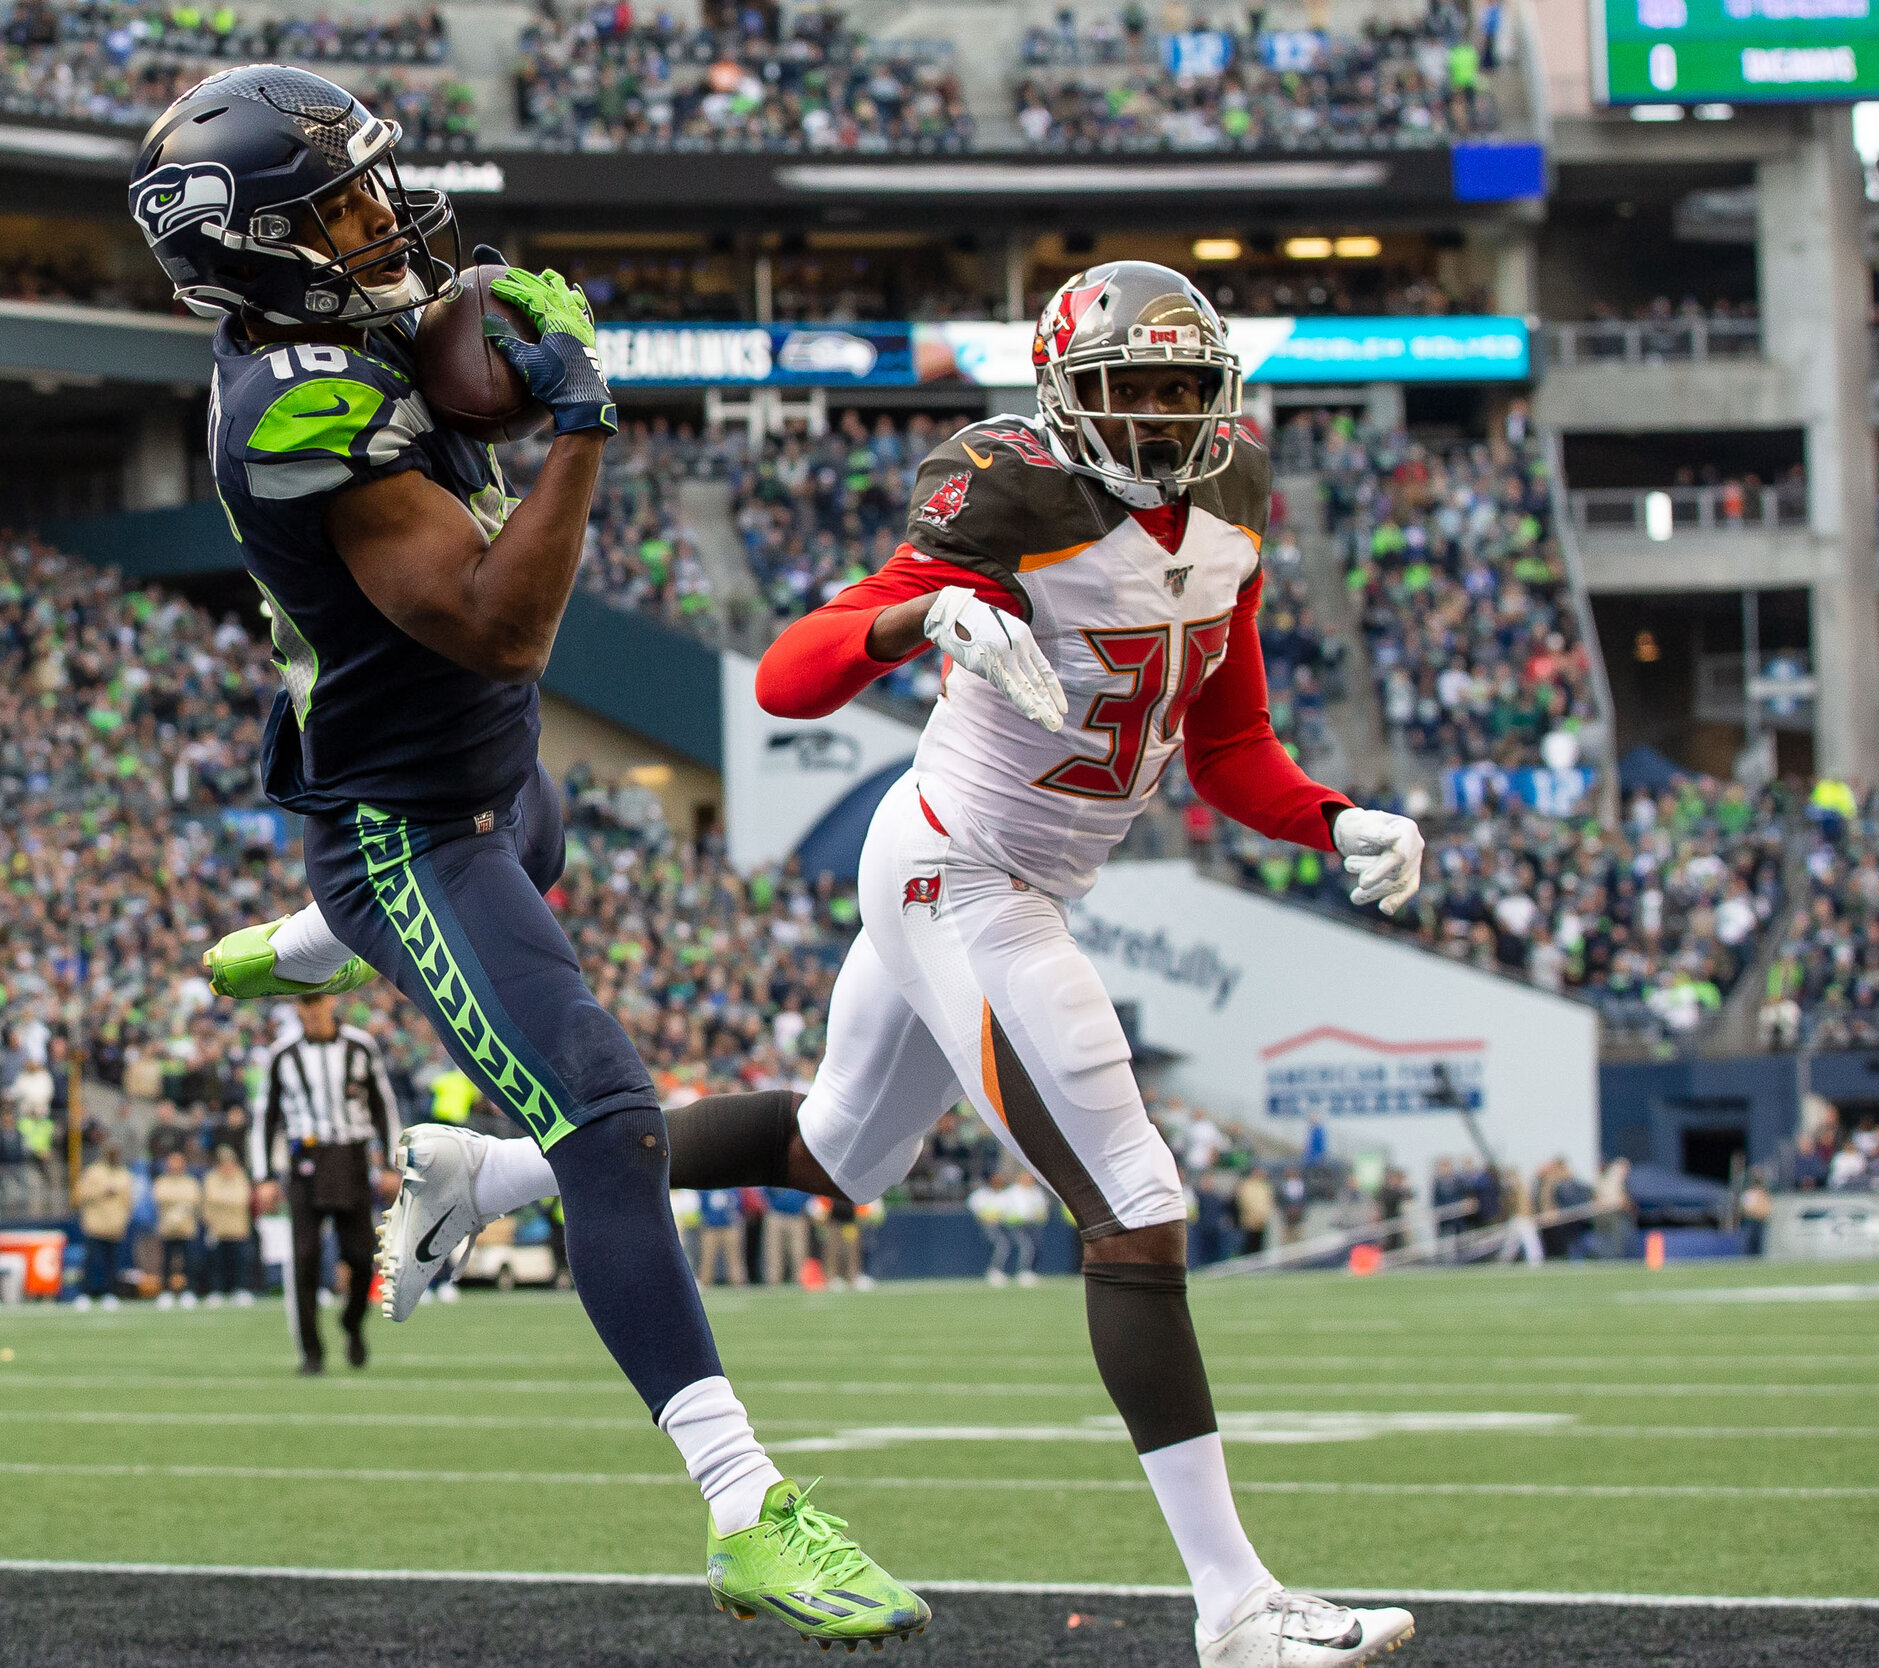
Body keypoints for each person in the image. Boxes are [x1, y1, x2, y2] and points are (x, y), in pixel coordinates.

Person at [352, 264, 1422, 1666]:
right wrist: (916, 619)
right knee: (1137, 1203)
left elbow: (1226, 744)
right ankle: (1236, 1606)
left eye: (1181, 386)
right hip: (956, 867)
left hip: (1014, 874)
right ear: (1062, 393)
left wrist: (1333, 817)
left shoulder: (1234, 499)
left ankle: (485, 1175)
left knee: (833, 1153)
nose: (1160, 417)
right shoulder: (1007, 493)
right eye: (1130, 387)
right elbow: (790, 676)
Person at [155, 65, 921, 1642]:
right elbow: (506, 624)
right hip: (406, 823)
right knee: (613, 1118)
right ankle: (746, 1507)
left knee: (553, 837)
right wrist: (581, 415)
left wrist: (482, 331)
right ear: (254, 257)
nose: (386, 222)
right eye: (343, 211)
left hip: (492, 780)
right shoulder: (288, 405)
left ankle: (310, 945)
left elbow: (458, 375)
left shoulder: (345, 330)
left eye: (376, 190)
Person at [253, 992, 394, 1370]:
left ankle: (351, 1323)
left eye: (315, 1002)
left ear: (331, 1001)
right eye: (302, 1004)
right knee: (305, 1259)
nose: (309, 1011)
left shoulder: (360, 1047)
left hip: (351, 1156)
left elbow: (383, 1106)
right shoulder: (282, 1054)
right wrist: (264, 1175)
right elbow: (265, 1115)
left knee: (361, 1256)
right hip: (305, 1161)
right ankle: (311, 1352)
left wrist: (394, 1164)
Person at [75, 1143, 134, 1307]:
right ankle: (85, 1292)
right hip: (96, 1224)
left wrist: (123, 1221)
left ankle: (110, 1292)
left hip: (115, 1225)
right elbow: (80, 1194)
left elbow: (128, 1202)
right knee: (92, 1261)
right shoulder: (93, 1172)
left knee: (112, 1262)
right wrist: (102, 1191)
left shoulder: (124, 1174)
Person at [202, 1144, 256, 1304]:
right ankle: (217, 1290)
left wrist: (222, 1200)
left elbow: (243, 1199)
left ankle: (240, 1289)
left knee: (239, 1262)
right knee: (217, 1263)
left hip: (238, 1228)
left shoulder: (240, 1176)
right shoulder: (211, 1177)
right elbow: (210, 1197)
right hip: (217, 1228)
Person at [150, 1148, 203, 1308]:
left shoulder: (190, 1182)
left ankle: (188, 1290)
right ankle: (166, 1291)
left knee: (188, 1261)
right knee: (166, 1261)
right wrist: (180, 1203)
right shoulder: (162, 1181)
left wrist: (178, 1204)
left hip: (186, 1228)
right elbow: (160, 1198)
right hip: (167, 1228)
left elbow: (194, 1200)